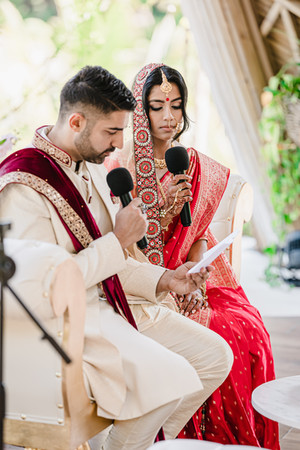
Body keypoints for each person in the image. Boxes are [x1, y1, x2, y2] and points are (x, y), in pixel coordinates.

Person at [0, 65, 233, 450]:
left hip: (116, 303)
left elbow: (112, 262)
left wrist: (164, 279)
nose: (119, 143)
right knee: (167, 381)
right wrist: (118, 240)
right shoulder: (23, 187)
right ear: (76, 121)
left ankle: (131, 442)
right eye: (111, 131)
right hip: (69, 324)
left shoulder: (82, 166)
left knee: (212, 360)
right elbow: (42, 291)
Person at [105, 63, 280, 449]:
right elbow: (125, 245)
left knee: (248, 328)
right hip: (147, 280)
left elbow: (198, 230)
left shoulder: (193, 163)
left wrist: (197, 266)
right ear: (140, 110)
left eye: (176, 105)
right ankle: (184, 437)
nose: (169, 117)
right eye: (157, 106)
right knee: (219, 334)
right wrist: (161, 207)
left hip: (193, 273)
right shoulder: (120, 169)